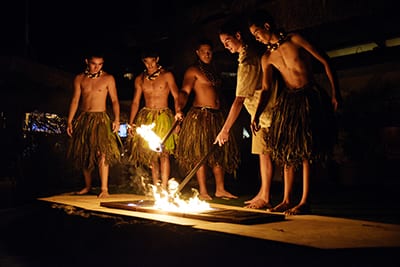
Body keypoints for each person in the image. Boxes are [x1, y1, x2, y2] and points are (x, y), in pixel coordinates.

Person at [247, 10, 339, 215]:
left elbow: (325, 61)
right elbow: (266, 89)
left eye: (257, 32)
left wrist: (335, 93)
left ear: (267, 26)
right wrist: (257, 114)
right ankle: (287, 199)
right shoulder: (267, 57)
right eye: (254, 36)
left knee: (305, 151)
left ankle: (304, 200)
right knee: (287, 150)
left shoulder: (295, 40)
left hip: (309, 96)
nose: (257, 38)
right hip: (290, 101)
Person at [214, 17, 279, 209]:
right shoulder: (247, 55)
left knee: (266, 153)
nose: (226, 47)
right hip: (258, 114)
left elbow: (239, 99)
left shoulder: (249, 59)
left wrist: (225, 130)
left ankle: (266, 196)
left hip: (266, 113)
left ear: (238, 36)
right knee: (262, 153)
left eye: (228, 42)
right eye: (223, 44)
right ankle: (262, 192)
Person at [175, 38, 240, 201]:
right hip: (200, 116)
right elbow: (184, 92)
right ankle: (203, 191)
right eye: (203, 51)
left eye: (209, 51)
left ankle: (220, 189)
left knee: (218, 153)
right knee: (200, 154)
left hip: (217, 116)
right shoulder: (193, 71)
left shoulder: (214, 70)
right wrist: (178, 109)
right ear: (197, 53)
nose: (207, 54)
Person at [66, 50, 121, 198]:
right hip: (84, 118)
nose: (97, 67)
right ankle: (88, 186)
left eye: (100, 64)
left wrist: (116, 119)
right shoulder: (79, 78)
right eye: (94, 64)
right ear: (87, 62)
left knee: (102, 152)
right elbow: (75, 100)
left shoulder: (108, 78)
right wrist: (70, 120)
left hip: (101, 119)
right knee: (85, 152)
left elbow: (115, 100)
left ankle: (104, 189)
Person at [126, 48, 181, 190]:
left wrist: (178, 114)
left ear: (157, 59)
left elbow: (176, 96)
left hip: (163, 116)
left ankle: (164, 187)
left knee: (164, 153)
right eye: (146, 62)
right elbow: (136, 102)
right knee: (152, 154)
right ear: (143, 62)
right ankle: (156, 185)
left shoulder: (167, 75)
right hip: (147, 117)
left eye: (152, 61)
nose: (149, 65)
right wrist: (131, 123)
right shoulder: (140, 79)